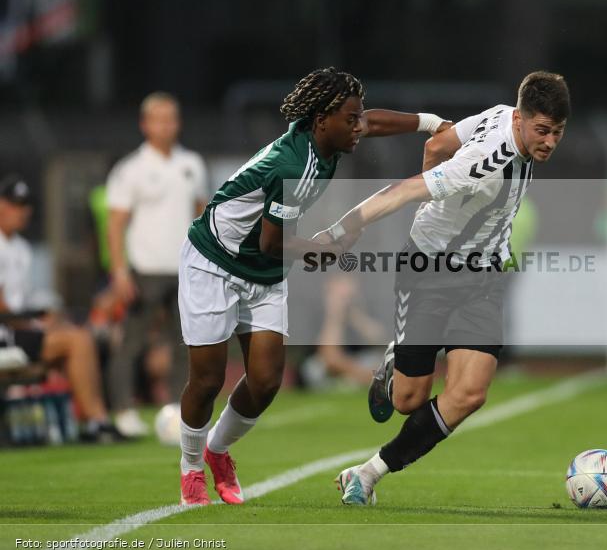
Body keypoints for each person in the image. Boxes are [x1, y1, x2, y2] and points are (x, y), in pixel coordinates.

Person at [177, 67, 450, 506]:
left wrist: (430, 123)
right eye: (350, 118)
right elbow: (272, 243)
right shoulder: (294, 165)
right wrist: (325, 249)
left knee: (265, 382)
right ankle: (191, 468)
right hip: (215, 261)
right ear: (323, 120)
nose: (359, 126)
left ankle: (218, 451)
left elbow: (372, 120)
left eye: (358, 116)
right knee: (208, 379)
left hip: (262, 271)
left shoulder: (325, 132)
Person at [319, 71, 570, 505]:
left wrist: (440, 194)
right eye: (542, 131)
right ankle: (394, 361)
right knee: (407, 399)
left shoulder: (500, 115)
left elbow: (438, 143)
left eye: (558, 133)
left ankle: (367, 473)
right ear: (522, 120)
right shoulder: (485, 163)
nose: (549, 142)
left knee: (470, 393)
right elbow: (403, 191)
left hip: (485, 277)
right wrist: (345, 228)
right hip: (429, 273)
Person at [106, 92, 208, 437]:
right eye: (159, 119)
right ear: (144, 124)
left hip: (185, 269)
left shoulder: (192, 163)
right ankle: (123, 410)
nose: (167, 125)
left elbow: (201, 214)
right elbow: (116, 222)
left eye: (172, 118)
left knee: (185, 344)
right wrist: (120, 271)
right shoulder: (131, 169)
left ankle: (178, 413)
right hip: (146, 270)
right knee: (132, 342)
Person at [0, 174, 123, 443]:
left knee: (78, 333)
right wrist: (34, 323)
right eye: (14, 204)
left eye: (24, 205)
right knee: (76, 340)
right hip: (5, 332)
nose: (21, 212)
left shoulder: (21, 248)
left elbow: (22, 301)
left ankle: (94, 419)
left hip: (17, 327)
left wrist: (44, 318)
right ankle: (96, 421)